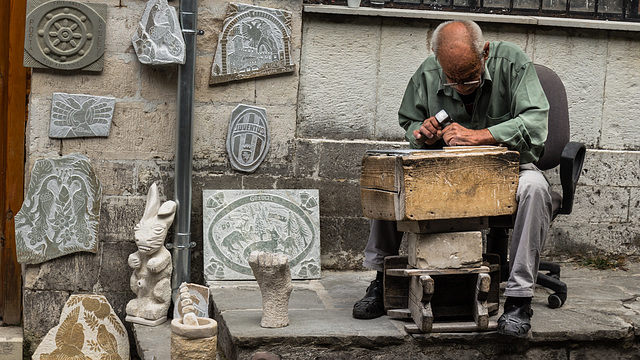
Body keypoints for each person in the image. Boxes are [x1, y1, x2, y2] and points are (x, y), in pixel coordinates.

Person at [352, 20, 553, 338]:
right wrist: (422, 134)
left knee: (536, 189)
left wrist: (481, 136)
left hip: (504, 167)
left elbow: (536, 125)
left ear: (485, 52)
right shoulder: (429, 70)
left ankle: (518, 298)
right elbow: (409, 119)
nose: (460, 86)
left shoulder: (513, 62)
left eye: (469, 78)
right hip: (445, 169)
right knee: (394, 174)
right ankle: (380, 281)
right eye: (452, 80)